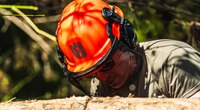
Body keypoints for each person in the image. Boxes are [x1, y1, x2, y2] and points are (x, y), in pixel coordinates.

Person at [56, 0, 200, 99]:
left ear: (125, 39)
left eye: (107, 65)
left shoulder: (175, 65)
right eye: (92, 74)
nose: (102, 78)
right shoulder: (100, 86)